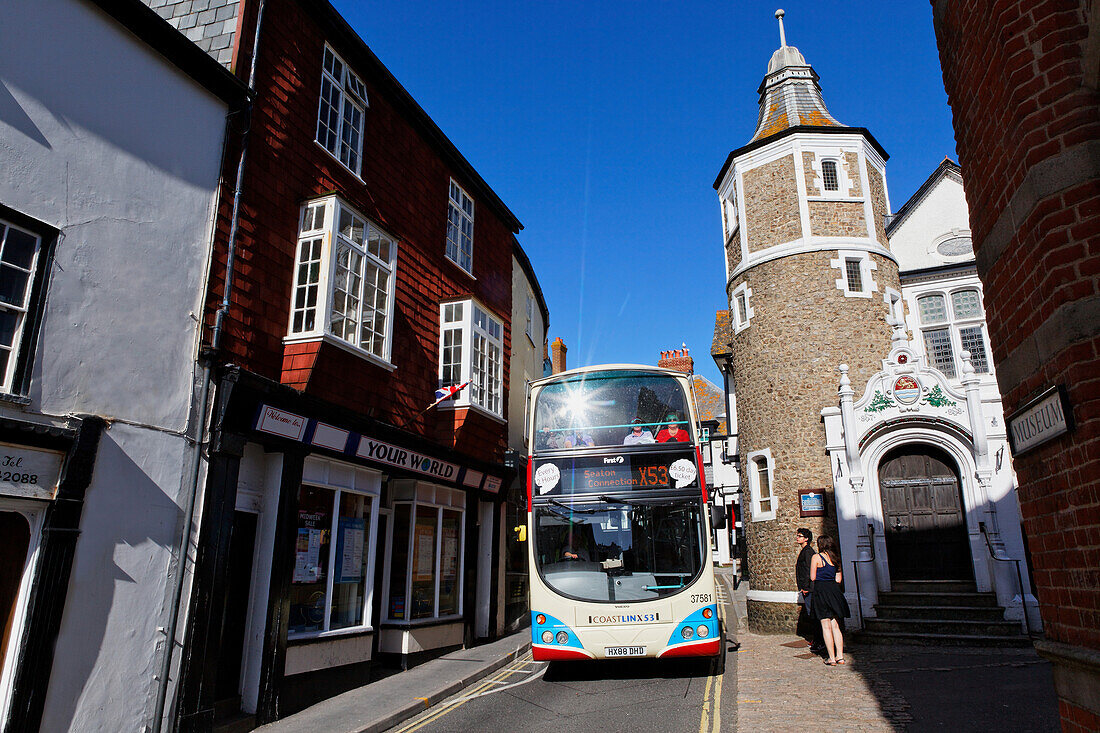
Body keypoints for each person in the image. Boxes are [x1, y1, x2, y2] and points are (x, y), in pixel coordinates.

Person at [811, 534, 851, 666]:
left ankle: (831, 658)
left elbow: (812, 577)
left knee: (825, 625)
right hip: (834, 591)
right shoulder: (835, 559)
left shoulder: (816, 557)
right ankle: (840, 656)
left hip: (821, 591)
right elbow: (838, 579)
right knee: (835, 625)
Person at [795, 528, 825, 654]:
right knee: (811, 614)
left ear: (806, 538)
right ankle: (817, 639)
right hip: (807, 588)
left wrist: (806, 587)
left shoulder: (808, 552)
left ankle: (819, 641)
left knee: (813, 615)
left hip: (809, 589)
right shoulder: (805, 551)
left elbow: (809, 570)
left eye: (800, 536)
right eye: (797, 535)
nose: (797, 538)